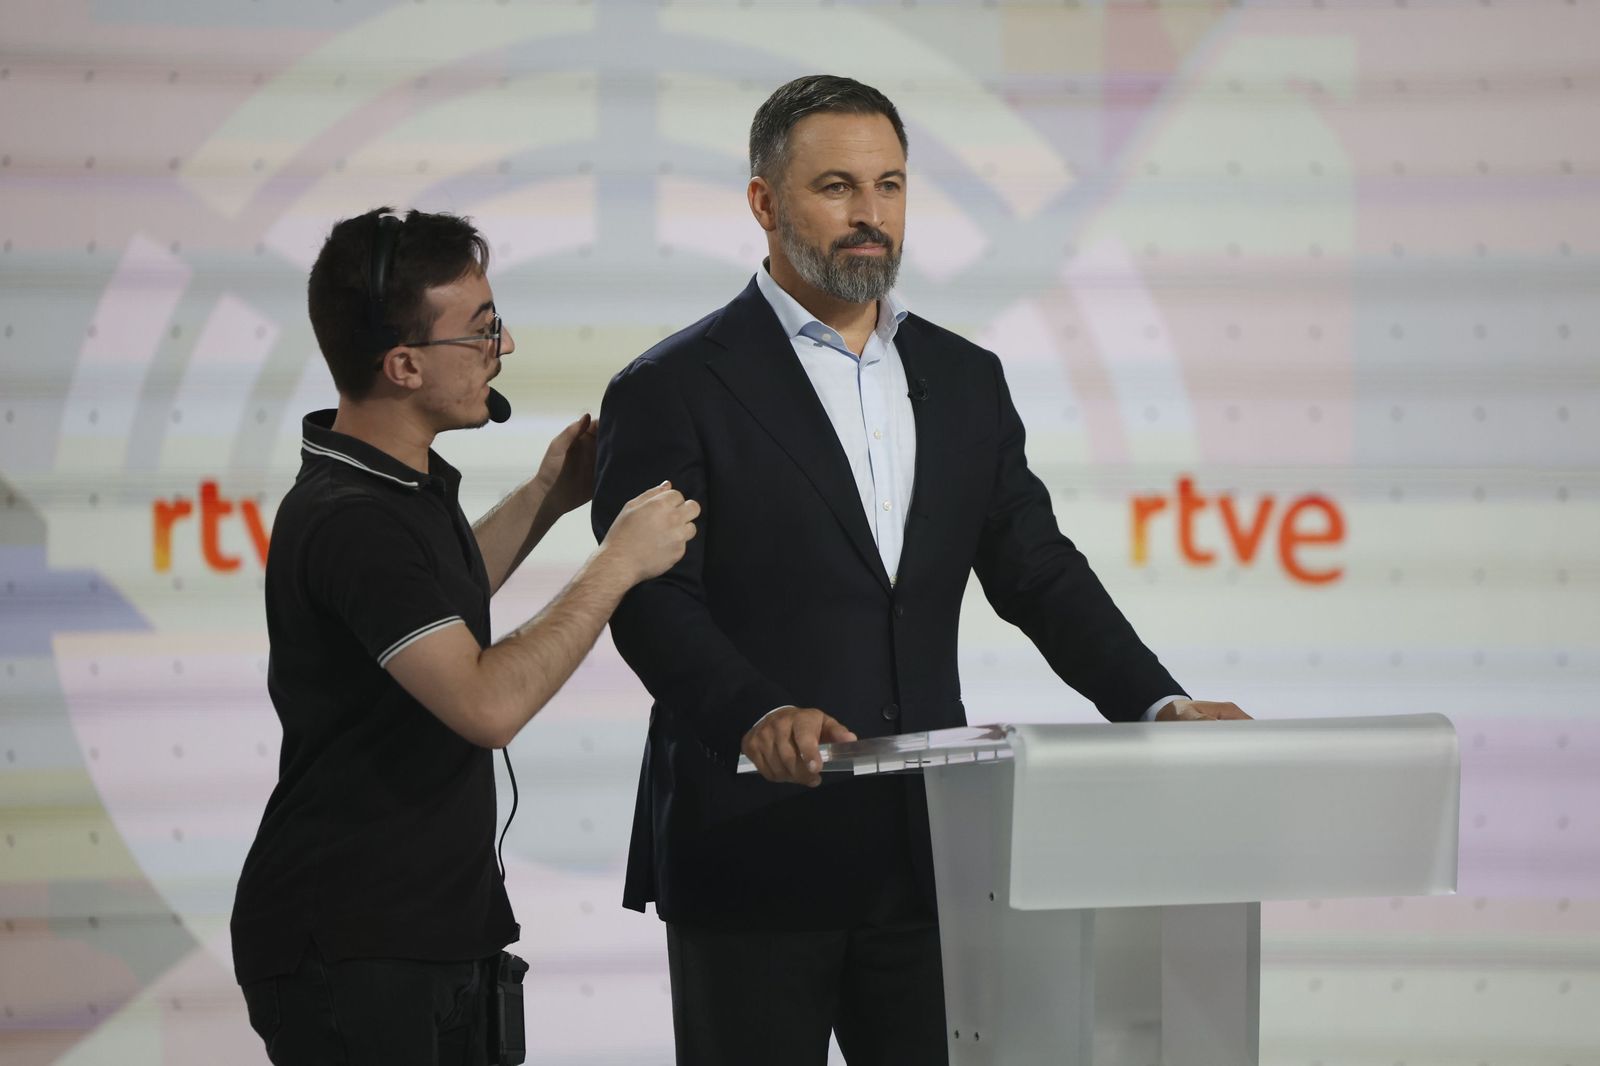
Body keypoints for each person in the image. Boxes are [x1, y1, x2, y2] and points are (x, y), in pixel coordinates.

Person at [590, 76, 1250, 1065]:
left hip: (930, 859)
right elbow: (650, 600)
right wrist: (753, 713)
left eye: (889, 185)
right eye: (837, 187)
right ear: (765, 204)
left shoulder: (965, 377)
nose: (869, 216)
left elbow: (1037, 572)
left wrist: (1156, 703)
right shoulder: (672, 387)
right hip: (753, 848)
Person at [230, 207, 700, 1065]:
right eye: (480, 334)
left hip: (427, 934)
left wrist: (545, 497)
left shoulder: (386, 488)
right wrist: (615, 564)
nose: (502, 350)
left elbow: (431, 605)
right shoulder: (353, 521)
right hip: (356, 945)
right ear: (404, 364)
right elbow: (485, 703)